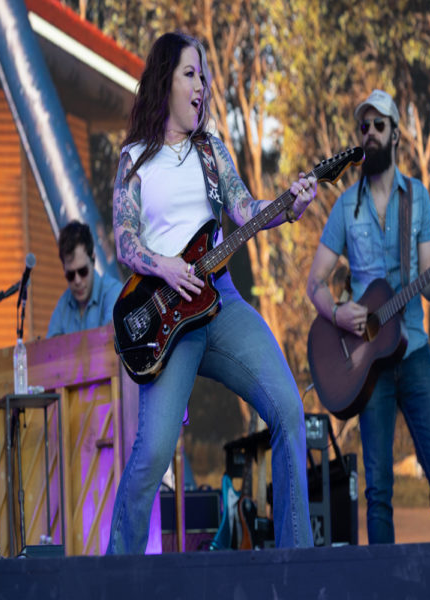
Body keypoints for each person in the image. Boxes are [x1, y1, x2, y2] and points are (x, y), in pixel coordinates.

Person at [106, 31, 316, 554]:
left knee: (289, 411)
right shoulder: (135, 159)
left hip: (220, 300)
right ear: (166, 82)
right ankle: (115, 572)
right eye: (190, 74)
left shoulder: (211, 151)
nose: (202, 84)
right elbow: (124, 239)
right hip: (166, 314)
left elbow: (244, 209)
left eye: (203, 75)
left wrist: (288, 205)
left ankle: (298, 559)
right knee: (152, 453)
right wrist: (164, 266)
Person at [306, 88, 430, 546]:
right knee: (377, 491)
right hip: (368, 366)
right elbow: (314, 283)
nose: (371, 133)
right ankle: (385, 582)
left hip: (412, 350)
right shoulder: (345, 206)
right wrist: (339, 313)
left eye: (379, 125)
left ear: (395, 134)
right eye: (364, 126)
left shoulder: (417, 198)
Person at [47, 220, 122, 337]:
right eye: (70, 275)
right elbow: (51, 346)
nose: (77, 281)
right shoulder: (63, 305)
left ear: (93, 260)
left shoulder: (113, 292)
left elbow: (111, 339)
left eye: (82, 271)